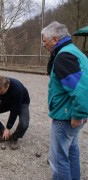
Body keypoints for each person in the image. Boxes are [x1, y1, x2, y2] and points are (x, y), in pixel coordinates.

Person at [42, 21, 88, 180]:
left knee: (58, 158)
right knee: (72, 150)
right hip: (72, 113)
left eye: (45, 41)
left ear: (55, 39)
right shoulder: (75, 51)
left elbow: (81, 88)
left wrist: (78, 114)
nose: (43, 44)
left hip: (66, 116)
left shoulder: (64, 56)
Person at [0, 76, 30, 150]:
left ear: (7, 86)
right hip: (6, 102)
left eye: (1, 91)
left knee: (24, 124)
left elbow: (14, 110)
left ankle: (14, 138)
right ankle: (3, 133)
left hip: (21, 102)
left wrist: (8, 128)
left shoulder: (17, 88)